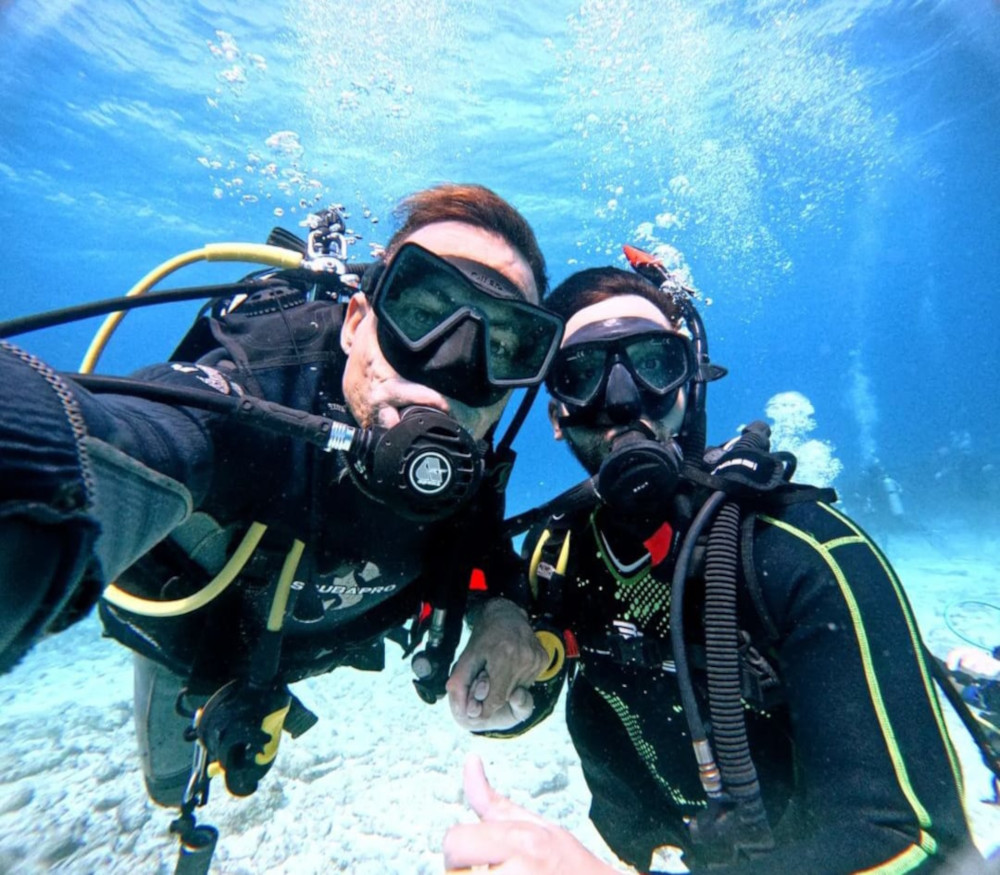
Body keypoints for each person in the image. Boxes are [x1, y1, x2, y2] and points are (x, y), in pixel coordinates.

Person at [0, 184, 563, 848]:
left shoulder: (467, 469)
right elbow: (127, 435)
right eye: (423, 308)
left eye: (503, 342)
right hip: (196, 640)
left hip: (305, 646)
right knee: (166, 784)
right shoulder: (252, 396)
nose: (451, 364)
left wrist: (499, 612)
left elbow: (483, 553)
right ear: (357, 320)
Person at [444, 256, 985, 874]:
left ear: (690, 383)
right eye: (582, 374)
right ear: (556, 416)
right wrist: (514, 670)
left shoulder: (800, 553)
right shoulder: (556, 555)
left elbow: (924, 850)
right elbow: (552, 673)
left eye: (652, 364)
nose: (621, 401)